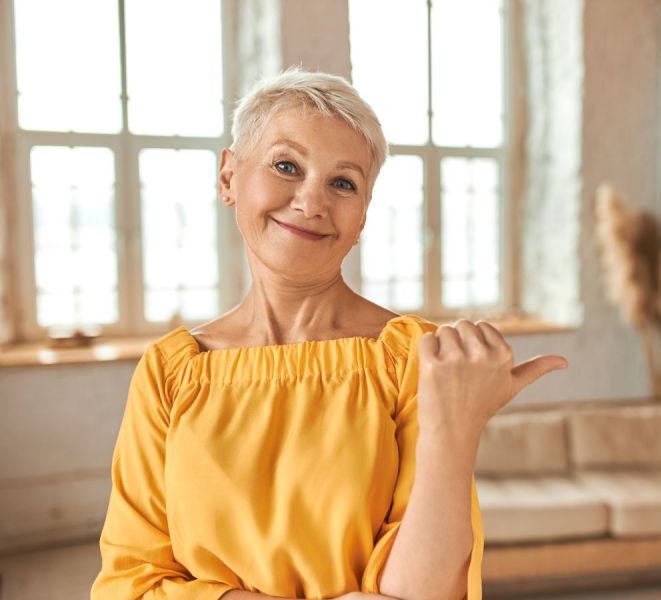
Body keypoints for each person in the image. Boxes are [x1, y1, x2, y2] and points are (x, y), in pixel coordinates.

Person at [90, 67, 568, 600]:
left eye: (343, 183)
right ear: (228, 176)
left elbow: (427, 593)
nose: (312, 202)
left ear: (363, 215)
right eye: (286, 165)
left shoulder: (413, 360)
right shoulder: (170, 373)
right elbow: (129, 583)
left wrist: (456, 431)